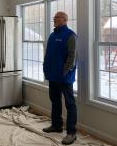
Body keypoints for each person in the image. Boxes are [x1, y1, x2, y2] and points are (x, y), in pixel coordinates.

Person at [42, 11, 77, 145]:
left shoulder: (71, 35)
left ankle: (71, 132)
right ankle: (56, 125)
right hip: (52, 75)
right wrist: (45, 67)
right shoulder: (52, 35)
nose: (54, 19)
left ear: (65, 20)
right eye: (54, 17)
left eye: (57, 17)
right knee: (55, 100)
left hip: (64, 77)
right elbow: (48, 54)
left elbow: (72, 57)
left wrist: (64, 71)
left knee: (70, 104)